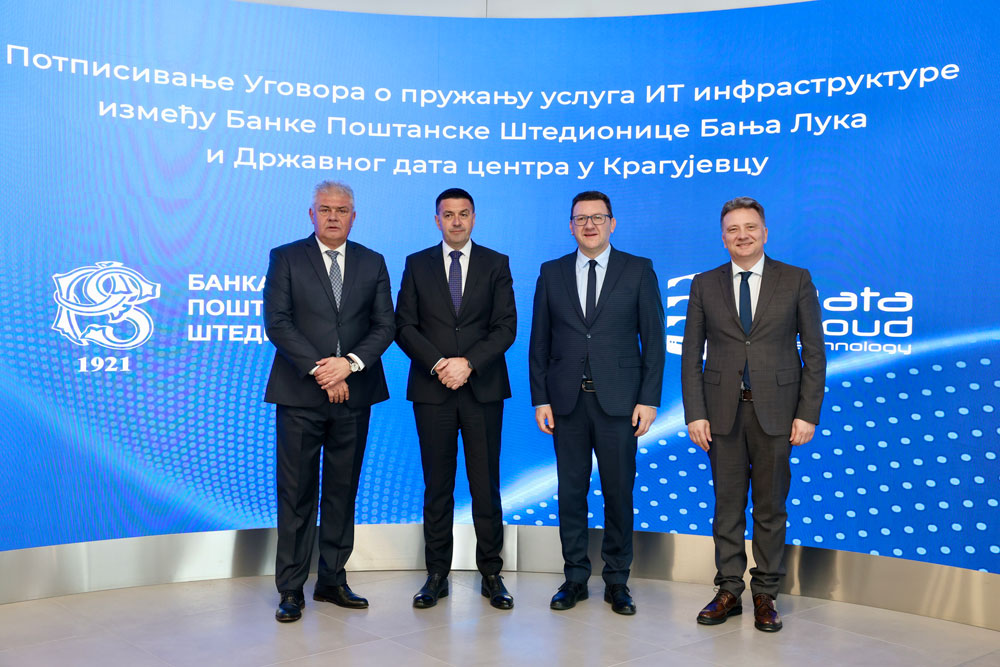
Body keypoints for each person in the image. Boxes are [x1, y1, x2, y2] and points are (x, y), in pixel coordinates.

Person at [680, 196, 826, 632]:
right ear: (723, 237)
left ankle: (765, 593)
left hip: (778, 413)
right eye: (733, 229)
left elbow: (814, 353)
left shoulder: (795, 279)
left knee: (770, 507)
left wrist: (808, 413)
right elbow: (691, 355)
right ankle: (728, 589)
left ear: (765, 232)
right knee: (727, 507)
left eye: (749, 227)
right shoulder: (704, 284)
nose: (741, 235)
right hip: (720, 414)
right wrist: (695, 413)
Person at [263, 180, 395, 623]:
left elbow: (385, 325)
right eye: (325, 209)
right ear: (312, 214)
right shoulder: (286, 257)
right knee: (296, 492)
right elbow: (278, 322)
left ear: (354, 216)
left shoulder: (372, 261)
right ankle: (291, 588)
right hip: (300, 394)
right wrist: (323, 370)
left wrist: (349, 365)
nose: (333, 216)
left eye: (342, 210)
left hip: (355, 393)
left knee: (342, 490)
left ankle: (333, 580)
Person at [528, 190, 665, 615]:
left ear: (612, 223)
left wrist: (649, 399)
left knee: (618, 492)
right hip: (565, 403)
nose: (589, 225)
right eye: (581, 218)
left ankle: (617, 580)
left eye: (598, 217)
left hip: (620, 403)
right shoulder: (551, 272)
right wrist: (540, 398)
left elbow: (654, 340)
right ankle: (574, 577)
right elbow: (539, 341)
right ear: (571, 226)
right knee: (571, 493)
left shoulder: (638, 270)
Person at [395, 188, 517, 610]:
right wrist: (440, 364)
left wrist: (468, 363)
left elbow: (506, 326)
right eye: (449, 215)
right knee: (437, 486)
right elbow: (404, 326)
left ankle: (492, 574)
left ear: (474, 217)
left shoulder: (496, 263)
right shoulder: (417, 264)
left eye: (464, 214)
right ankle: (436, 575)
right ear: (437, 220)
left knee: (486, 485)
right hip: (433, 391)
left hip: (482, 389)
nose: (457, 221)